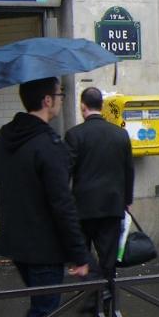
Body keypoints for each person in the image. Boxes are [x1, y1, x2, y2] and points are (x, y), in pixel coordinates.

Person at [0, 76, 89, 317]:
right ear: (47, 100)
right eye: (59, 94)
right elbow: (62, 204)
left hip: (15, 240)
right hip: (44, 245)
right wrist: (79, 253)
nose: (62, 99)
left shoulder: (5, 137)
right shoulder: (47, 143)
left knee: (39, 311)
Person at [64, 87, 134, 283]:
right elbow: (129, 170)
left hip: (83, 205)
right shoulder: (120, 134)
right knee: (108, 257)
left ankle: (90, 289)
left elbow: (65, 170)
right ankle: (107, 292)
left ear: (82, 106)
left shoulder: (74, 135)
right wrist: (127, 200)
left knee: (83, 255)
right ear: (101, 106)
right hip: (112, 204)